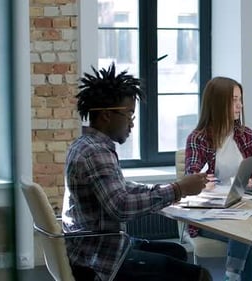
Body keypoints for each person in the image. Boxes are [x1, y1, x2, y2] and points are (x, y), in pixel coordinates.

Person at [62, 63, 212, 281]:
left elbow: (119, 189)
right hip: (100, 259)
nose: (132, 123)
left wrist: (171, 189)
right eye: (129, 114)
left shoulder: (87, 145)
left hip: (91, 248)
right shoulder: (95, 153)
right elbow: (121, 207)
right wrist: (178, 189)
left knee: (177, 252)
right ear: (106, 115)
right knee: (201, 276)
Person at [185, 76, 252, 281]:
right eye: (235, 100)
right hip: (210, 215)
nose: (240, 105)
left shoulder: (246, 135)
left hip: (245, 207)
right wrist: (202, 182)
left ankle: (232, 276)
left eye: (240, 99)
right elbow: (191, 176)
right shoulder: (198, 138)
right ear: (219, 103)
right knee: (250, 234)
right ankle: (232, 275)